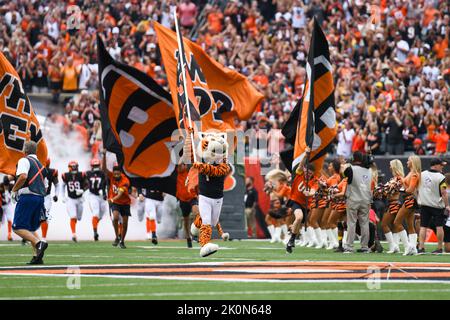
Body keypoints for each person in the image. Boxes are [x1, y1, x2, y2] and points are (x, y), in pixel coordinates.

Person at [193, 132, 231, 257]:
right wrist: (190, 136)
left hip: (218, 197)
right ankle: (204, 245)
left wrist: (202, 167)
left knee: (213, 222)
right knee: (207, 222)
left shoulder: (224, 163)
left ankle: (195, 225)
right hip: (204, 196)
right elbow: (191, 149)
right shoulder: (201, 158)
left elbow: (217, 171)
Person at [10, 141, 48, 265]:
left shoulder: (24, 160)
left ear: (25, 151)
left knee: (17, 227)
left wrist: (14, 189)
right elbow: (45, 186)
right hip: (39, 198)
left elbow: (23, 177)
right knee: (30, 228)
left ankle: (39, 244)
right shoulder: (41, 165)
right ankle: (37, 257)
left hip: (28, 196)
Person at [285, 147, 319, 253]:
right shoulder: (299, 173)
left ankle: (292, 233)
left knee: (298, 223)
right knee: (299, 218)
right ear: (304, 169)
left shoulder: (314, 181)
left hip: (306, 205)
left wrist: (310, 193)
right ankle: (292, 240)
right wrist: (306, 154)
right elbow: (300, 165)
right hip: (295, 201)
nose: (309, 174)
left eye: (311, 173)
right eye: (308, 171)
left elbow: (314, 190)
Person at [417, 158, 450, 254]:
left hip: (424, 204)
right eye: (441, 165)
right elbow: (443, 193)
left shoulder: (422, 174)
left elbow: (417, 189)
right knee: (439, 226)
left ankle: (421, 247)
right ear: (435, 165)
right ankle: (439, 248)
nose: (442, 167)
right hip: (437, 205)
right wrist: (447, 205)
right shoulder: (441, 177)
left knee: (423, 226)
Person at [343, 151, 372, 253]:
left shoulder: (351, 169)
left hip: (353, 199)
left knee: (351, 223)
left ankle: (349, 246)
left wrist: (348, 163)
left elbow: (343, 173)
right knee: (364, 223)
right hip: (366, 199)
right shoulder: (369, 171)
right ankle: (364, 246)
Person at [102, 151, 131, 249]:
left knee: (125, 223)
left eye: (118, 174)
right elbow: (104, 169)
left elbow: (120, 194)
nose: (116, 176)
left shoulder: (125, 180)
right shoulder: (111, 176)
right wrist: (104, 155)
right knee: (115, 217)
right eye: (115, 174)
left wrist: (112, 199)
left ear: (121, 173)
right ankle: (117, 236)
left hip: (124, 202)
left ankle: (122, 240)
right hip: (115, 203)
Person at [393, 156, 421, 255]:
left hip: (410, 200)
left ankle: (407, 246)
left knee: (397, 222)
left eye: (409, 160)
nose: (407, 162)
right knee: (410, 225)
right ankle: (413, 249)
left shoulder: (414, 174)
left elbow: (410, 189)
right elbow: (406, 186)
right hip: (409, 200)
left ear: (413, 162)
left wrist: (399, 189)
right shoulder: (411, 173)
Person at [380, 160, 405, 254]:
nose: (389, 167)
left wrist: (385, 190)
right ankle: (396, 247)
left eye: (391, 165)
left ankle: (393, 245)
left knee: (384, 224)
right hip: (393, 203)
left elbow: (392, 191)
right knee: (394, 226)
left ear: (394, 166)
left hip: (394, 203)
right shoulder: (394, 178)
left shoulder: (399, 178)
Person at [60, 161, 87, 242]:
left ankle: (74, 231)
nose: (74, 168)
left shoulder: (81, 174)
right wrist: (63, 196)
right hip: (71, 199)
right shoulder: (66, 175)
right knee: (73, 216)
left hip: (79, 199)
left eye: (75, 167)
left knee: (79, 218)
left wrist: (83, 190)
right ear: (69, 167)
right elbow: (63, 186)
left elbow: (88, 184)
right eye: (73, 167)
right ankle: (73, 234)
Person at [176, 163, 199, 248]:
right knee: (186, 221)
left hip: (192, 197)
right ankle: (188, 237)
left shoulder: (192, 170)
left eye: (183, 165)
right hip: (183, 199)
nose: (181, 166)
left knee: (196, 213)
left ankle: (195, 234)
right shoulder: (178, 172)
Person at [85, 158, 108, 241]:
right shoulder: (88, 173)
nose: (96, 167)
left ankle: (95, 225)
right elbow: (85, 183)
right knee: (96, 213)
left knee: (101, 215)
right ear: (91, 166)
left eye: (97, 165)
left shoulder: (103, 173)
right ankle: (95, 232)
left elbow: (106, 184)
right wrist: (82, 191)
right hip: (93, 195)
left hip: (101, 196)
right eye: (95, 166)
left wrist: (105, 193)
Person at [41, 159, 59, 241]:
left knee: (45, 216)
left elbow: (57, 184)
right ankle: (27, 235)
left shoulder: (52, 172)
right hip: (36, 196)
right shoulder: (35, 170)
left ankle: (43, 238)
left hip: (46, 197)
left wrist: (56, 195)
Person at [0, 176, 15, 241]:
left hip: (8, 205)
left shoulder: (11, 186)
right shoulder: (1, 186)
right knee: (0, 220)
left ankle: (9, 234)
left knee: (9, 219)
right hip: (1, 205)